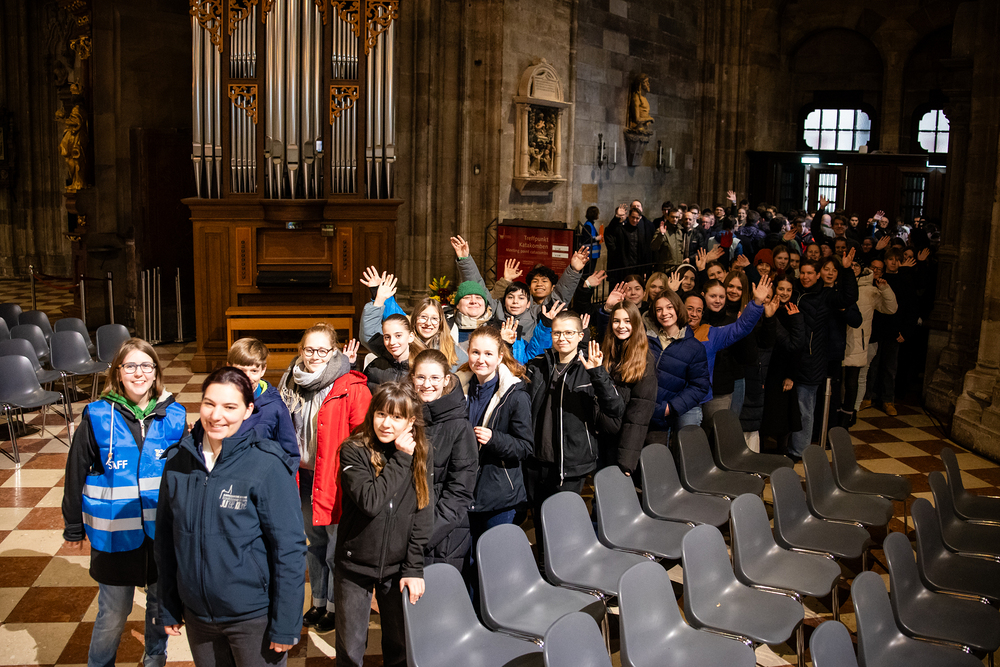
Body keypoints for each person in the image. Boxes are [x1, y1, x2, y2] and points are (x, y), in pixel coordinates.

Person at [156, 368, 306, 667]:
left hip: (252, 619)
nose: (216, 416)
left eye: (229, 407)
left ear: (248, 410)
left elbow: (289, 549)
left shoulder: (266, 465)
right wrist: (168, 604)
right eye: (209, 404)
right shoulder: (178, 461)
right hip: (198, 618)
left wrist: (286, 623)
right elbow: (166, 541)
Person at [62, 338, 187, 667]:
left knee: (160, 608)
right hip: (114, 536)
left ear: (156, 372)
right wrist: (73, 525)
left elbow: (188, 473)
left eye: (146, 365)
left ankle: (155, 659)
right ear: (118, 372)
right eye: (130, 366)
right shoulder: (97, 415)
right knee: (114, 613)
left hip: (162, 535)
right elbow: (75, 472)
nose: (139, 373)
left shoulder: (175, 415)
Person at [280, 323, 371, 634]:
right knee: (315, 543)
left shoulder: (351, 386)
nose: (315, 356)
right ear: (300, 350)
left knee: (334, 547)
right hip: (302, 476)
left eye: (322, 350)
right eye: (309, 349)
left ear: (334, 352)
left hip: (333, 479)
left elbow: (362, 438)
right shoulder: (289, 381)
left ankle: (334, 606)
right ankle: (318, 601)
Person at [334, 382, 433, 667]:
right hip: (354, 565)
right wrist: (401, 459)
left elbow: (423, 511)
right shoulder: (354, 449)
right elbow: (370, 501)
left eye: (397, 417)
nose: (386, 424)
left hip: (397, 567)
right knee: (351, 648)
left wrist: (413, 567)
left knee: (400, 645)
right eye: (381, 414)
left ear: (411, 421)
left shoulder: (422, 451)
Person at [524, 311, 624, 519]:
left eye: (569, 333)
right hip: (536, 460)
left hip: (570, 461)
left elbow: (615, 409)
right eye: (557, 333)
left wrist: (598, 374)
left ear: (580, 335)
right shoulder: (537, 365)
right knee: (540, 519)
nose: (562, 338)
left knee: (563, 520)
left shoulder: (590, 368)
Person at [455, 325, 533, 561]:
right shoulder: (457, 389)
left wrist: (494, 439)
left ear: (499, 357)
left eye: (488, 354)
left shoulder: (515, 394)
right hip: (463, 490)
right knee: (467, 561)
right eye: (475, 352)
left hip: (499, 493)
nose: (481, 359)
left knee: (495, 561)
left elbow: (525, 447)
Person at [409, 349, 478, 569]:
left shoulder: (459, 427)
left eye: (434, 378)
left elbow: (459, 492)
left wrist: (423, 538)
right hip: (406, 530)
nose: (427, 384)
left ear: (446, 380)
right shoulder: (406, 419)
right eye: (421, 377)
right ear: (412, 378)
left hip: (442, 537)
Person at [359, 269, 468, 369]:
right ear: (414, 319)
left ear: (440, 322)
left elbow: (467, 370)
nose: (428, 323)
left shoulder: (450, 348)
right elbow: (370, 337)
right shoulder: (401, 344)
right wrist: (379, 299)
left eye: (434, 318)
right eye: (423, 317)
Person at [599, 301, 657, 475]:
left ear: (636, 324)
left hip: (622, 442)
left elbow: (639, 414)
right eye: (616, 321)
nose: (621, 326)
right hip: (602, 436)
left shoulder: (644, 359)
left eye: (627, 321)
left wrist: (626, 460)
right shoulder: (607, 351)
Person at [645, 289, 710, 441]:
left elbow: (700, 386)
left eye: (669, 307)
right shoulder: (645, 338)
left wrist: (670, 408)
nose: (664, 313)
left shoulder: (694, 347)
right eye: (659, 309)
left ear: (678, 308)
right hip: (640, 411)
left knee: (660, 454)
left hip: (663, 417)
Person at [228, 337, 299, 469]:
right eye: (241, 371)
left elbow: (290, 454)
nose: (247, 377)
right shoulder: (219, 400)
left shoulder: (275, 407)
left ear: (263, 370)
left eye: (254, 371)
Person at [842, 262, 897, 427]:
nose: (853, 268)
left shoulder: (870, 290)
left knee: (855, 380)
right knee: (838, 380)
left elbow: (891, 308)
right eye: (850, 265)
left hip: (858, 342)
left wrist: (885, 289)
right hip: (838, 339)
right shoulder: (838, 284)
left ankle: (852, 413)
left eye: (856, 265)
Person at [363, 312, 425, 392]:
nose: (392, 342)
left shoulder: (422, 367)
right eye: (387, 337)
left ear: (410, 337)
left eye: (398, 336)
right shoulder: (374, 367)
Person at [606, 205, 656, 285]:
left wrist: (645, 270)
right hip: (624, 268)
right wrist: (617, 217)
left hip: (637, 268)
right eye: (633, 217)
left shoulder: (641, 231)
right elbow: (610, 231)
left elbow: (645, 250)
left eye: (637, 218)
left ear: (640, 218)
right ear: (629, 216)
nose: (634, 220)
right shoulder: (622, 228)